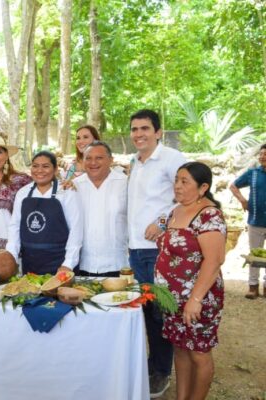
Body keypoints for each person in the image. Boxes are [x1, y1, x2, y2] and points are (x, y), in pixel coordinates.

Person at [127, 109, 186, 397]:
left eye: (145, 128)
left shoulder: (173, 159)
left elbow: (191, 194)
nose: (139, 134)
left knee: (160, 313)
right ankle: (150, 365)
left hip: (158, 250)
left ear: (158, 132)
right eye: (135, 129)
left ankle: (161, 371)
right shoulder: (135, 163)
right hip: (136, 251)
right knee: (145, 311)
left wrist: (163, 221)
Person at [155, 162, 226, 400]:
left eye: (185, 181)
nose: (177, 186)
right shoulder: (176, 210)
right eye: (177, 180)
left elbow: (214, 260)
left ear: (203, 187)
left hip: (198, 299)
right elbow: (162, 227)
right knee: (181, 349)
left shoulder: (208, 215)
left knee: (199, 353)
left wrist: (195, 299)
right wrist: (155, 226)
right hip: (172, 300)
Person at [6, 151, 82, 275]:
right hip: (30, 262)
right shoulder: (23, 193)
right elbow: (14, 227)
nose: (39, 170)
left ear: (55, 169)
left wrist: (68, 264)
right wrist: (11, 258)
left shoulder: (66, 192)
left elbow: (76, 230)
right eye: (35, 166)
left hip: (59, 262)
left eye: (45, 166)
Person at [73, 141, 127, 277]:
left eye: (99, 158)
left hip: (119, 265)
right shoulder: (74, 187)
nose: (93, 163)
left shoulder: (125, 183)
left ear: (111, 160)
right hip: (83, 265)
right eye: (88, 158)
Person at [229, 143, 266, 299]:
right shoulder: (253, 173)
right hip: (255, 220)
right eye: (261, 154)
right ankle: (253, 287)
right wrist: (243, 201)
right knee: (254, 255)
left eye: (265, 154)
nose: (262, 157)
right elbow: (233, 186)